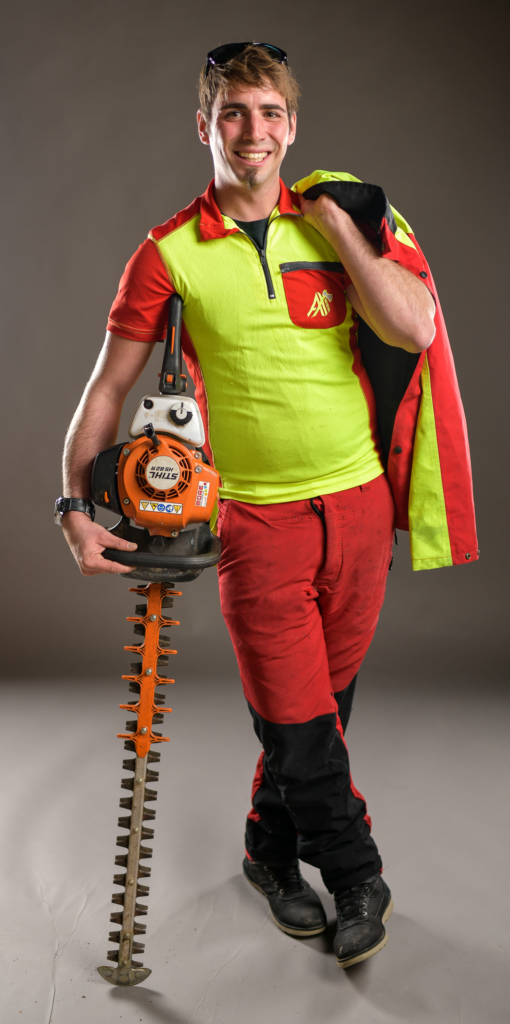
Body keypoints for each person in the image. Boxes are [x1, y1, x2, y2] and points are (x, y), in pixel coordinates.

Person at [58, 43, 477, 968]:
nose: (253, 132)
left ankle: (267, 852)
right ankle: (358, 877)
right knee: (295, 719)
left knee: (322, 713)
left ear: (293, 126)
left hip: (359, 507)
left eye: (270, 113)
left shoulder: (343, 224)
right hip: (255, 521)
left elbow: (415, 325)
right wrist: (72, 504)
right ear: (204, 126)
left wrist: (340, 233)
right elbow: (106, 389)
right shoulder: (167, 253)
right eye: (234, 114)